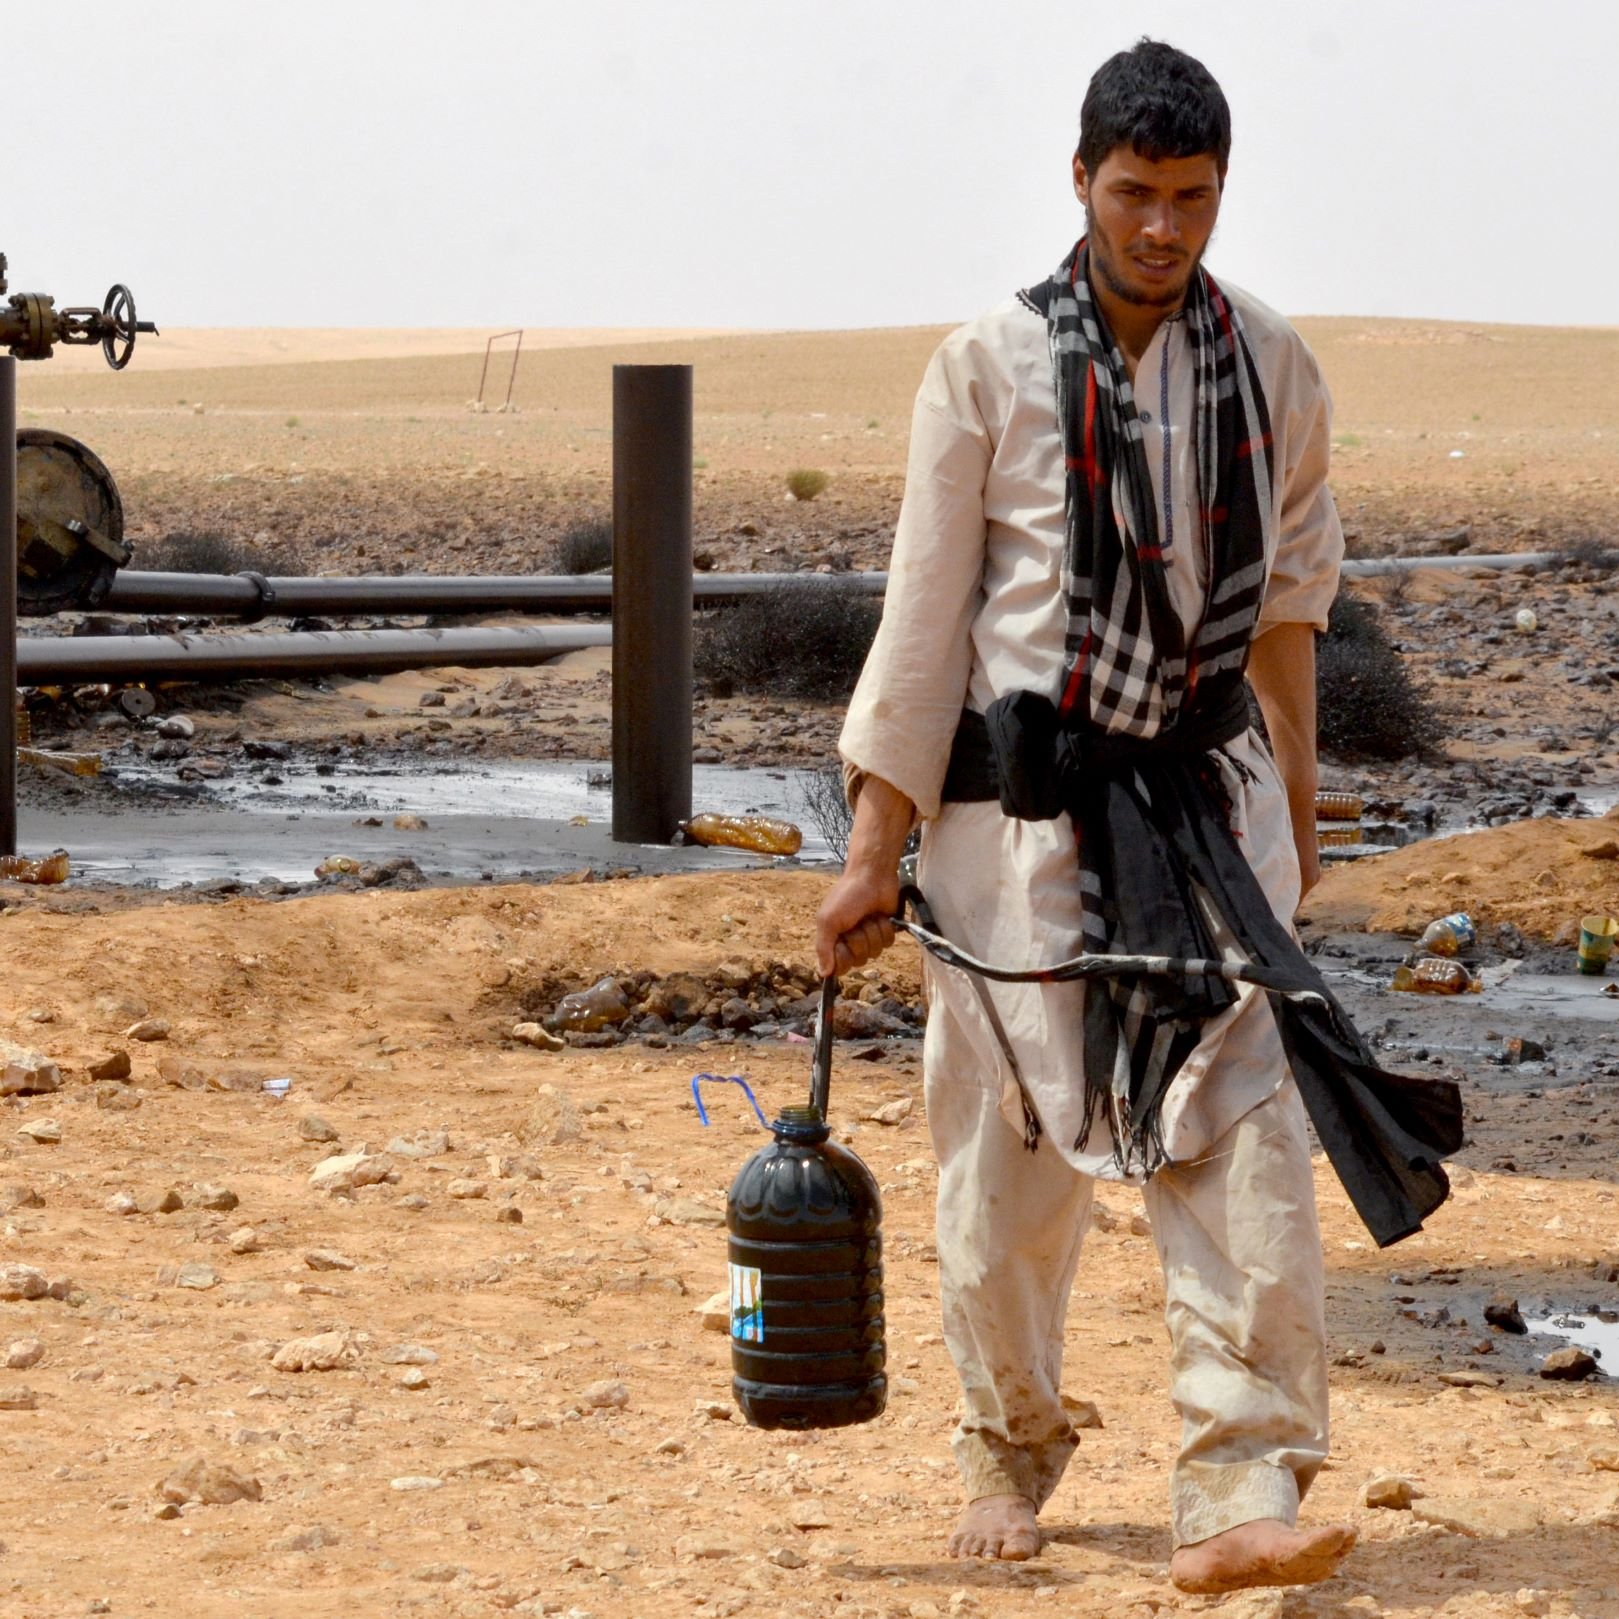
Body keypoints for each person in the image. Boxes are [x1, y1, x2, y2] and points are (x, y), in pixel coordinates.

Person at [815, 39, 1375, 1595]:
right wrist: (872, 853)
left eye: (1192, 199)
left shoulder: (1272, 367)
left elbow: (1289, 613)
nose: (1162, 229)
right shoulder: (984, 367)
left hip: (1210, 809)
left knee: (1237, 1125)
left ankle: (1244, 1481)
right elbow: (923, 626)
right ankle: (1008, 1439)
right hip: (1021, 830)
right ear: (1080, 179)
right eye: (1135, 194)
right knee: (1008, 1165)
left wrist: (1302, 806)